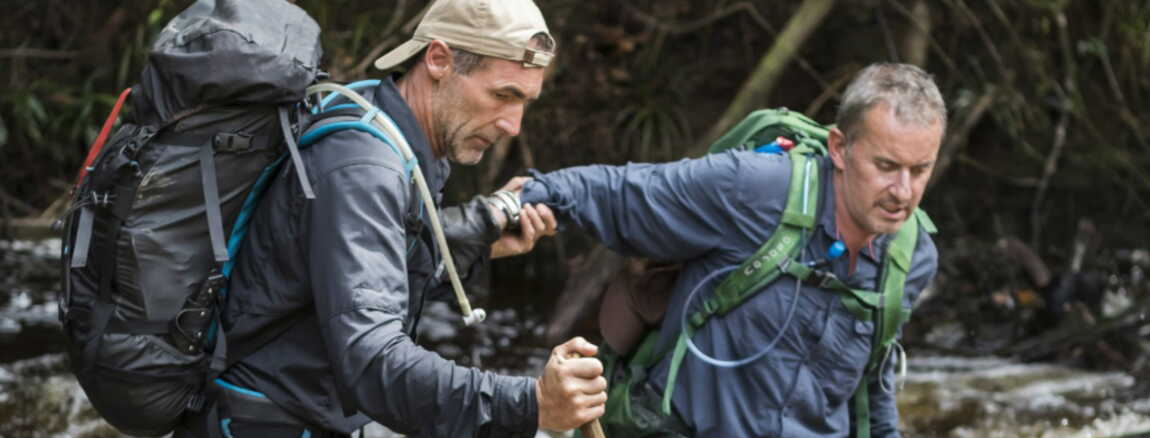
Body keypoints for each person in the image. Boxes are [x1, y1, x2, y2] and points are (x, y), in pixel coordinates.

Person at [174, 0, 607, 436]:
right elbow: (371, 360)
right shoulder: (364, 168)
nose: (514, 124)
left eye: (525, 102)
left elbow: (367, 274)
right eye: (502, 95)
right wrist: (529, 404)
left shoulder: (378, 119)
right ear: (438, 59)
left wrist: (481, 239)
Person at [517, 63, 945, 437]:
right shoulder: (755, 189)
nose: (902, 192)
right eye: (886, 166)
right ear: (840, 148)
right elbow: (616, 194)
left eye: (919, 170)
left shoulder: (911, 257)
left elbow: (872, 384)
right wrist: (511, 206)